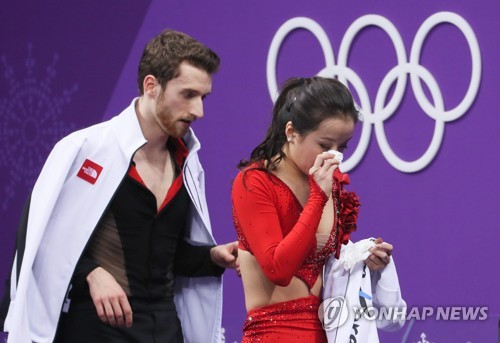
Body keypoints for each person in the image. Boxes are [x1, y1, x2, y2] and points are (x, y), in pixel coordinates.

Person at [0, 29, 237, 343]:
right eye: (188, 94)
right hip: (94, 328)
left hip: (164, 328)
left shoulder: (189, 163)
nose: (199, 111)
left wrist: (211, 257)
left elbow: (163, 254)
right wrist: (91, 273)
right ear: (151, 86)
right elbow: (39, 239)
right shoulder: (85, 148)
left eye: (203, 97)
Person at [231, 77, 394, 342]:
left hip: (330, 330)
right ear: (291, 132)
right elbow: (278, 270)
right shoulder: (254, 182)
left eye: (341, 147)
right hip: (274, 335)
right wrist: (318, 197)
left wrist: (363, 258)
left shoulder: (331, 184)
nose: (334, 156)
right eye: (324, 145)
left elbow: (328, 267)